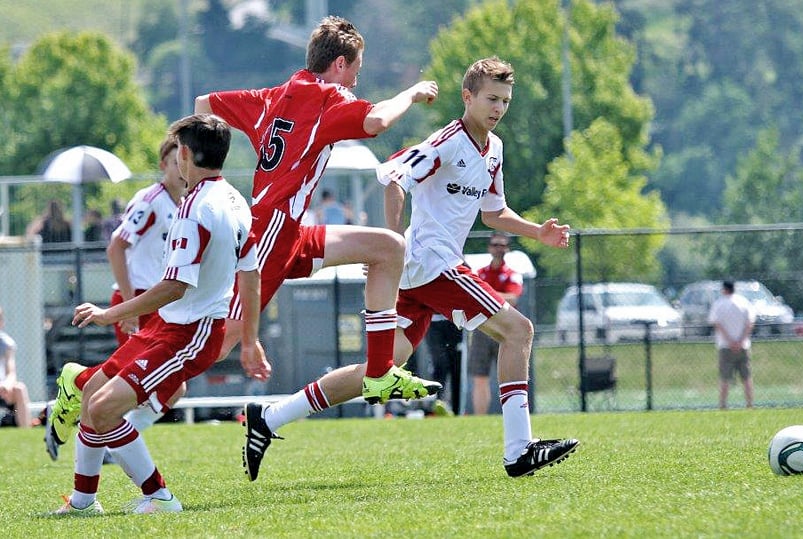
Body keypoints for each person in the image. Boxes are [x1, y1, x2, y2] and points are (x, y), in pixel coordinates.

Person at [242, 56, 579, 480]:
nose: (499, 108)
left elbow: (493, 213)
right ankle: (518, 450)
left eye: (506, 101)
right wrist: (391, 245)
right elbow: (394, 177)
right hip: (433, 266)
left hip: (421, 274)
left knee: (378, 370)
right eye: (492, 98)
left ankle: (269, 416)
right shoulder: (448, 141)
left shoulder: (493, 150)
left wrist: (537, 232)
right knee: (519, 330)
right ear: (467, 97)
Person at [194, 16, 441, 426]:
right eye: (356, 72)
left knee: (389, 248)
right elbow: (377, 121)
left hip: (288, 231)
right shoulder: (326, 96)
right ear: (340, 65)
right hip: (270, 234)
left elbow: (203, 104)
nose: (356, 83)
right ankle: (108, 377)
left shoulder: (274, 95)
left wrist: (202, 170)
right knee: (216, 345)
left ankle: (379, 373)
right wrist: (412, 93)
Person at [50, 113, 261, 516]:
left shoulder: (194, 208)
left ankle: (160, 497)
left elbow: (173, 287)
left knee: (102, 408)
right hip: (172, 324)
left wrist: (111, 313)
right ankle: (82, 502)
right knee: (94, 397)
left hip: (190, 331)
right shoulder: (236, 200)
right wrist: (249, 339)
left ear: (183, 154)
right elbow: (250, 276)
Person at [45, 136, 187, 461]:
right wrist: (126, 304)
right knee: (134, 379)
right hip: (137, 299)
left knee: (173, 386)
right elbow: (116, 246)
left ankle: (82, 391)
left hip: (161, 303)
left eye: (187, 159)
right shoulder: (150, 200)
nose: (183, 167)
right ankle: (99, 426)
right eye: (176, 160)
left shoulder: (185, 205)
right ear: (164, 164)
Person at [469, 232, 524, 415]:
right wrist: (497, 296)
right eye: (495, 244)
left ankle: (512, 415)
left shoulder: (512, 274)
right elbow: (471, 296)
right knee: (480, 377)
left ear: (507, 248)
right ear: (489, 248)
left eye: (502, 245)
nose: (498, 248)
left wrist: (486, 294)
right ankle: (480, 418)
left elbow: (513, 298)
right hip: (483, 329)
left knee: (509, 377)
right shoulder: (480, 273)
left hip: (505, 332)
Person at [708, 280, 756, 409]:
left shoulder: (719, 304)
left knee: (725, 377)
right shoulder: (744, 303)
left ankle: (723, 405)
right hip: (743, 346)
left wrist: (730, 341)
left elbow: (717, 324)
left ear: (724, 289)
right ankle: (749, 404)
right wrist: (740, 341)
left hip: (725, 346)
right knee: (746, 377)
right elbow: (750, 323)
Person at [0, 307, 33, 428]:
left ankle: (25, 430)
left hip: (2, 389)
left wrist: (7, 384)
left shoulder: (5, 343)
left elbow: (11, 372)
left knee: (20, 388)